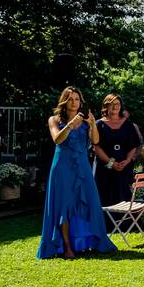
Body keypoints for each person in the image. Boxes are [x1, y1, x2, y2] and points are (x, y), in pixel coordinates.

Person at [37, 87, 116, 259]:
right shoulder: (54, 119)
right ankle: (67, 247)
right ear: (64, 101)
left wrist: (93, 124)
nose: (74, 102)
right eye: (71, 99)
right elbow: (57, 139)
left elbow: (95, 141)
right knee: (64, 205)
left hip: (82, 166)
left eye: (77, 99)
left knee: (88, 201)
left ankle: (86, 242)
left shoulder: (86, 120)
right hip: (62, 167)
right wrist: (70, 126)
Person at [93, 94, 142, 214]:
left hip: (123, 166)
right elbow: (96, 147)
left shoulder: (128, 124)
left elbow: (134, 145)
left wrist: (128, 160)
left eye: (118, 104)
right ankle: (105, 224)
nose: (115, 107)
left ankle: (124, 224)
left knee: (123, 192)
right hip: (105, 167)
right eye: (112, 104)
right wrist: (111, 163)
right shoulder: (99, 124)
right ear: (106, 106)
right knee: (104, 193)